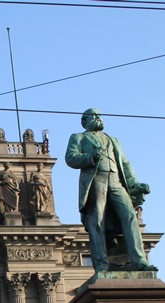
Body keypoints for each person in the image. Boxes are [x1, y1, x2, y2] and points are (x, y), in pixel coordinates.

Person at [65, 108, 157, 273]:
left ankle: (139, 262)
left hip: (115, 180)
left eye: (99, 115)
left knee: (129, 216)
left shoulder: (113, 140)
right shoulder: (79, 137)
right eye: (94, 115)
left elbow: (125, 163)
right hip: (96, 180)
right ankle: (101, 265)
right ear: (84, 121)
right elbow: (71, 158)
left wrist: (134, 184)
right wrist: (90, 156)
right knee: (97, 221)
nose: (98, 118)